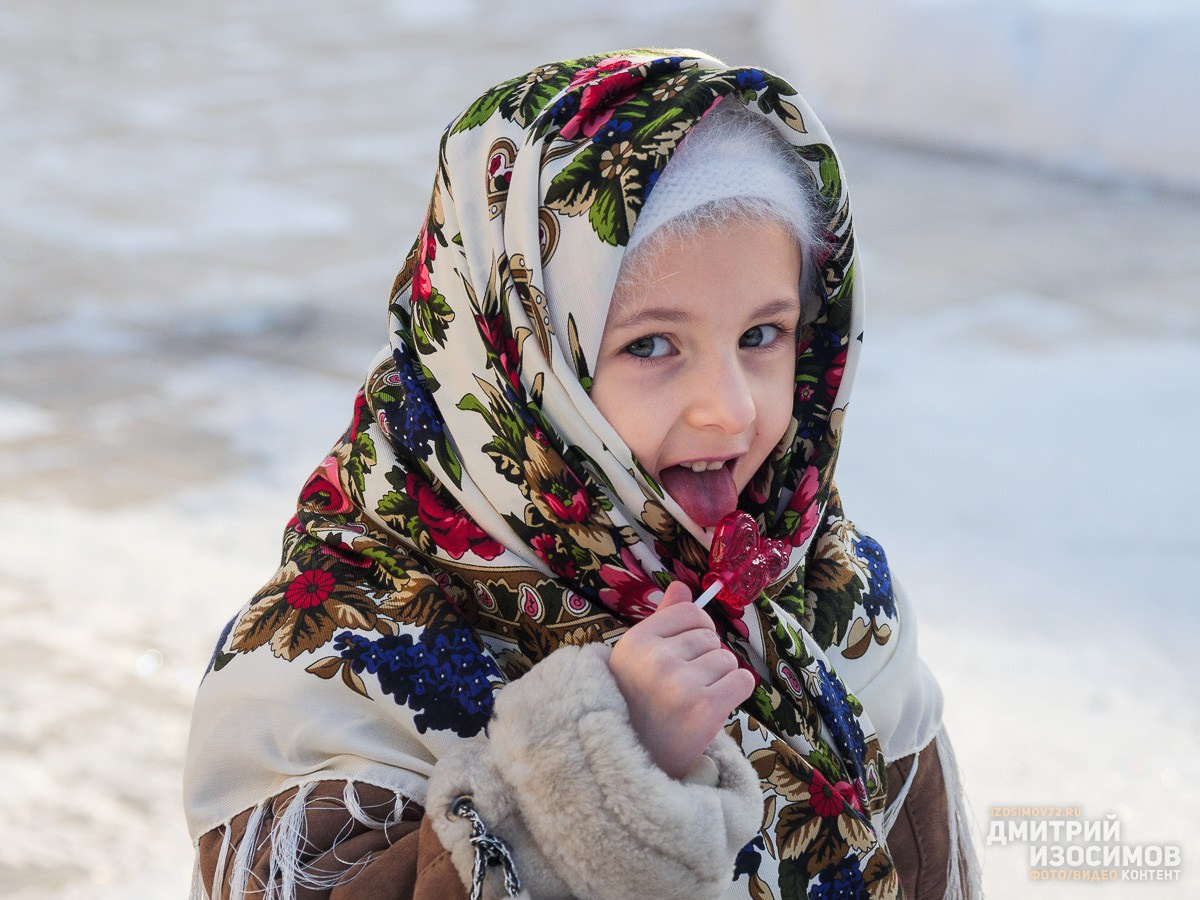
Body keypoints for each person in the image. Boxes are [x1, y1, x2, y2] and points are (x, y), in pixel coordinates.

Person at [183, 49, 981, 899]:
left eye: (762, 335)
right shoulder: (329, 661)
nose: (732, 411)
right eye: (650, 345)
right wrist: (598, 777)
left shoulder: (829, 597)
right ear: (511, 360)